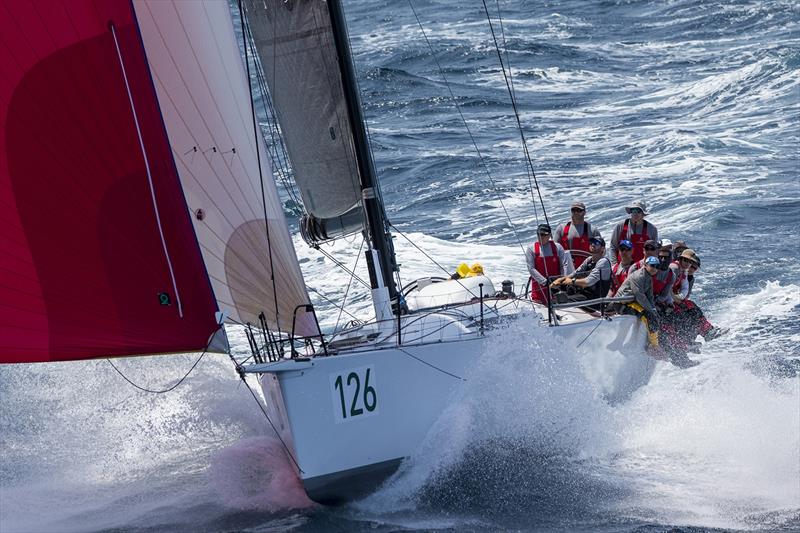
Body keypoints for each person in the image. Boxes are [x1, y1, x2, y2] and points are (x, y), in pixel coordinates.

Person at [671, 249, 726, 342]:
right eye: (686, 261)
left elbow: (685, 291)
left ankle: (705, 333)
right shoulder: (675, 269)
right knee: (683, 315)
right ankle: (689, 341)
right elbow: (666, 287)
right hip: (667, 299)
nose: (690, 268)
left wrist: (679, 299)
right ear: (680, 259)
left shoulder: (686, 275)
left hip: (676, 300)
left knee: (692, 311)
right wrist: (677, 300)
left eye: (693, 266)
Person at [614, 255, 663, 355]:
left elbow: (649, 296)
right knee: (648, 316)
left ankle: (650, 344)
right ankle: (654, 346)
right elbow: (639, 296)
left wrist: (653, 309)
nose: (655, 268)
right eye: (652, 265)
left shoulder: (648, 277)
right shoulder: (638, 276)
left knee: (655, 316)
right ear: (645, 265)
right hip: (622, 304)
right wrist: (650, 310)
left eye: (657, 266)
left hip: (633, 303)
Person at [550, 236, 612, 303]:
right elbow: (575, 273)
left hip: (594, 299)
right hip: (583, 292)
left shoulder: (603, 262)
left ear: (602, 248)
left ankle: (555, 307)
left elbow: (589, 282)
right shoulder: (589, 260)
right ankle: (549, 304)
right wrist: (561, 279)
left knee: (564, 298)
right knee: (551, 280)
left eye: (596, 243)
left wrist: (572, 281)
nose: (593, 244)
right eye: (592, 242)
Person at [526, 223, 573, 304]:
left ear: (550, 235)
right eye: (539, 234)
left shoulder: (558, 247)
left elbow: (564, 265)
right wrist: (545, 282)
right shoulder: (531, 249)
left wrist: (561, 280)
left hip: (556, 287)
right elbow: (531, 268)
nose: (541, 237)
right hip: (539, 289)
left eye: (544, 235)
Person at [553, 201, 602, 269]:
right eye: (573, 210)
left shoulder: (592, 230)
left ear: (584, 212)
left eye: (579, 210)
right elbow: (554, 249)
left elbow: (601, 250)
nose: (576, 212)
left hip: (587, 268)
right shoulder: (561, 229)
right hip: (567, 269)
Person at [610, 200, 658, 264]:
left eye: (638, 211)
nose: (635, 214)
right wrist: (614, 263)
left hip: (643, 266)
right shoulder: (621, 226)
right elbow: (613, 246)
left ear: (643, 214)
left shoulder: (652, 229)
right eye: (633, 211)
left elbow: (655, 250)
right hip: (623, 266)